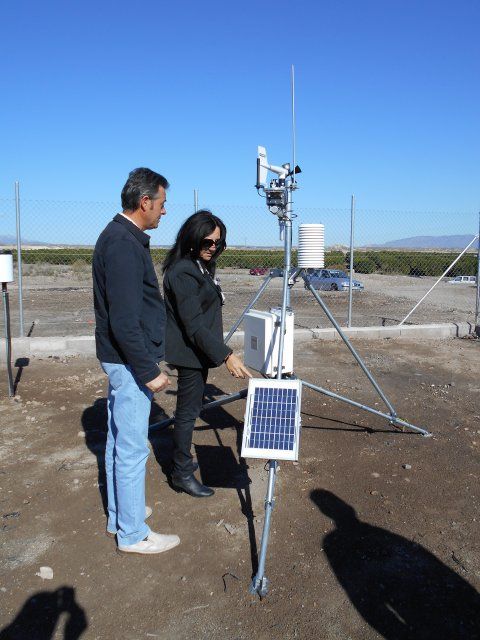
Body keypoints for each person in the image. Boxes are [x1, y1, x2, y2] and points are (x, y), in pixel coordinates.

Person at [92, 167, 180, 555]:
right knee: (131, 448)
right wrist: (149, 372)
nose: (164, 211)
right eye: (162, 203)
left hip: (120, 359)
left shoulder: (120, 237)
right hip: (130, 363)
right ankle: (133, 533)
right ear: (145, 202)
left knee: (117, 442)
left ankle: (121, 515)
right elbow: (124, 320)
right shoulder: (124, 245)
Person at [163, 211, 251, 497]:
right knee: (187, 414)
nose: (213, 247)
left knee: (190, 410)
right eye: (208, 242)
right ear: (191, 238)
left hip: (198, 351)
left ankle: (181, 465)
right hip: (190, 354)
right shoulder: (182, 272)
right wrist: (227, 355)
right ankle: (181, 473)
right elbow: (194, 325)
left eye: (218, 243)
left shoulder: (201, 267)